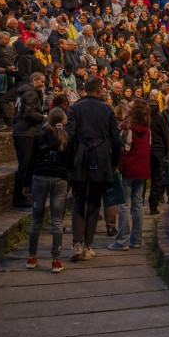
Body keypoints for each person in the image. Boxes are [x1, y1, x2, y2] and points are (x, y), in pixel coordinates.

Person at [66, 75, 121, 261]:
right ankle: (88, 246)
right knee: (95, 203)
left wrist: (69, 160)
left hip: (79, 159)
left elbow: (69, 136)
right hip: (101, 158)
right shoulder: (107, 109)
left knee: (79, 201)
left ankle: (76, 244)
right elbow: (116, 139)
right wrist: (114, 163)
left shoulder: (75, 108)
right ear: (99, 91)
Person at [23, 108, 71, 273]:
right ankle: (56, 260)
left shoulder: (39, 137)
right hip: (59, 179)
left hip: (40, 177)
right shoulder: (65, 137)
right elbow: (69, 161)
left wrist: (26, 184)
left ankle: (31, 257)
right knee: (57, 221)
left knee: (37, 219)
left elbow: (31, 161)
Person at [108, 99, 150, 251]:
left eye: (130, 106)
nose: (126, 107)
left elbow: (124, 152)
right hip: (142, 171)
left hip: (128, 171)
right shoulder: (146, 129)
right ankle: (136, 239)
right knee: (138, 204)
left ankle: (122, 241)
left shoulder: (128, 129)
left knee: (124, 205)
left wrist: (119, 169)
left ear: (134, 112)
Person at [12, 72, 47, 206]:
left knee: (25, 165)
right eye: (42, 82)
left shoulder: (24, 92)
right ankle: (21, 197)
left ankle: (23, 195)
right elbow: (29, 113)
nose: (43, 84)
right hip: (26, 132)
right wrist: (44, 117)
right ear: (34, 80)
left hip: (22, 131)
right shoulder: (31, 93)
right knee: (25, 165)